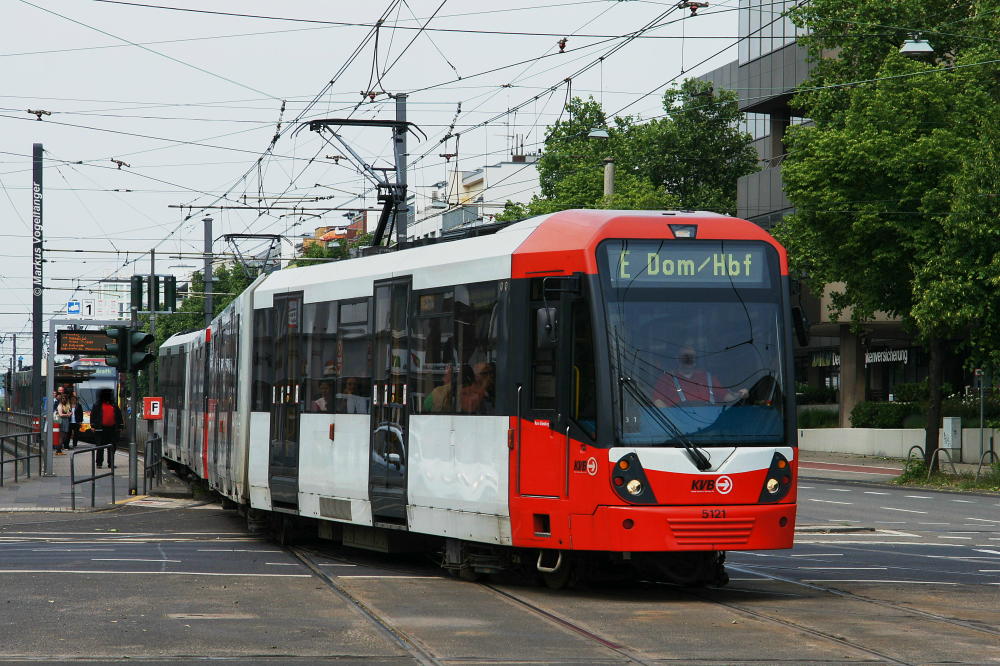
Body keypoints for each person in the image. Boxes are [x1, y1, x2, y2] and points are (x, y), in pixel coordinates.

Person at [653, 345, 748, 407]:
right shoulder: (666, 379)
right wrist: (670, 417)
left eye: (691, 357)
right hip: (677, 429)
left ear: (695, 360)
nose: (688, 359)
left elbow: (725, 396)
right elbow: (658, 401)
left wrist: (739, 394)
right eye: (685, 357)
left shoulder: (708, 378)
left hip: (708, 429)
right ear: (678, 359)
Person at [90, 388, 123, 468]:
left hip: (112, 429)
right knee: (100, 447)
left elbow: (119, 416)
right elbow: (93, 416)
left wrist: (120, 426)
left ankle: (110, 463)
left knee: (112, 447)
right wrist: (93, 426)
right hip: (100, 429)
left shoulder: (114, 405)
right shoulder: (97, 405)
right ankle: (99, 463)